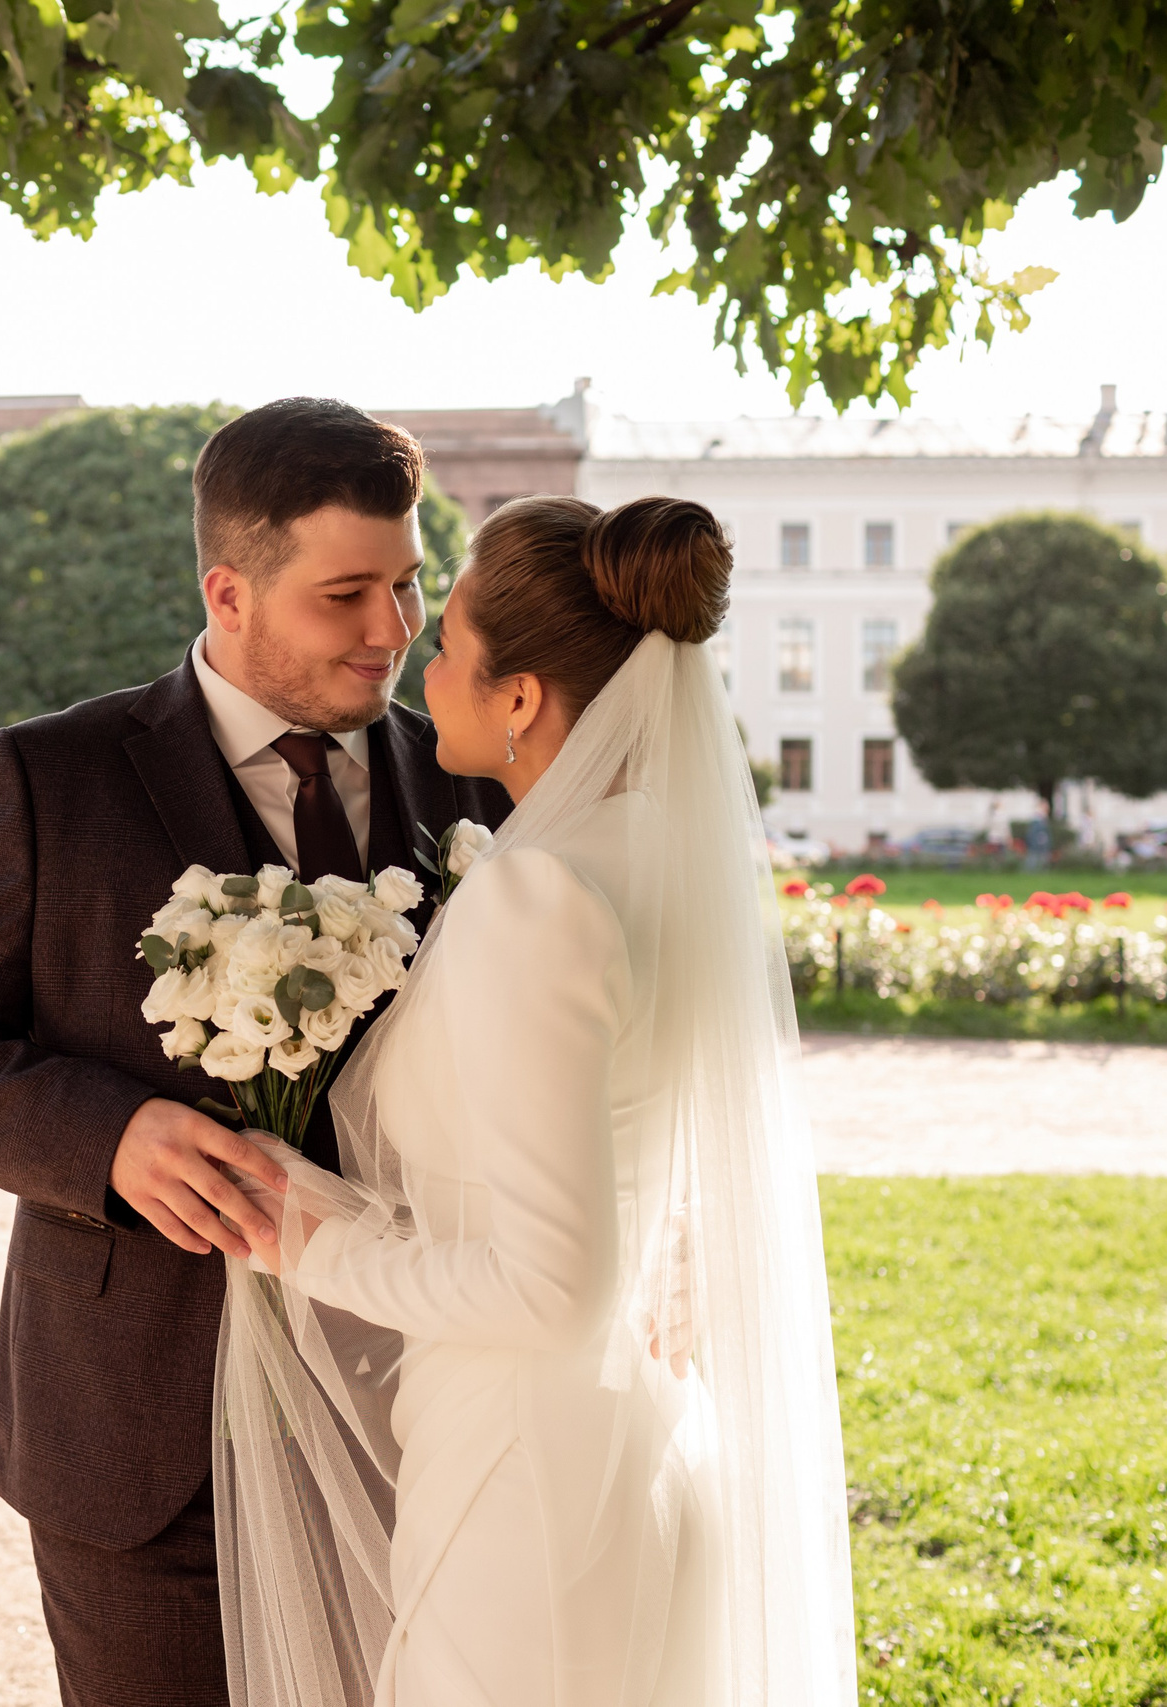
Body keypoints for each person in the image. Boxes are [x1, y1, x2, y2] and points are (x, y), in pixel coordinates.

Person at [0, 399, 512, 1707]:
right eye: (346, 595)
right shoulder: (54, 775)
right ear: (229, 591)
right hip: (142, 1436)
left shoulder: (473, 781)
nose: (393, 628)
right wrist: (105, 1136)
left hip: (423, 1413)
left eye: (406, 583)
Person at [212, 496, 855, 1706]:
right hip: (631, 1424)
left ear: (518, 698)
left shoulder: (538, 894)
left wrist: (311, 1245)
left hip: (526, 1475)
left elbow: (551, 1290)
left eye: (449, 643)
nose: (421, 662)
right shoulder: (657, 853)